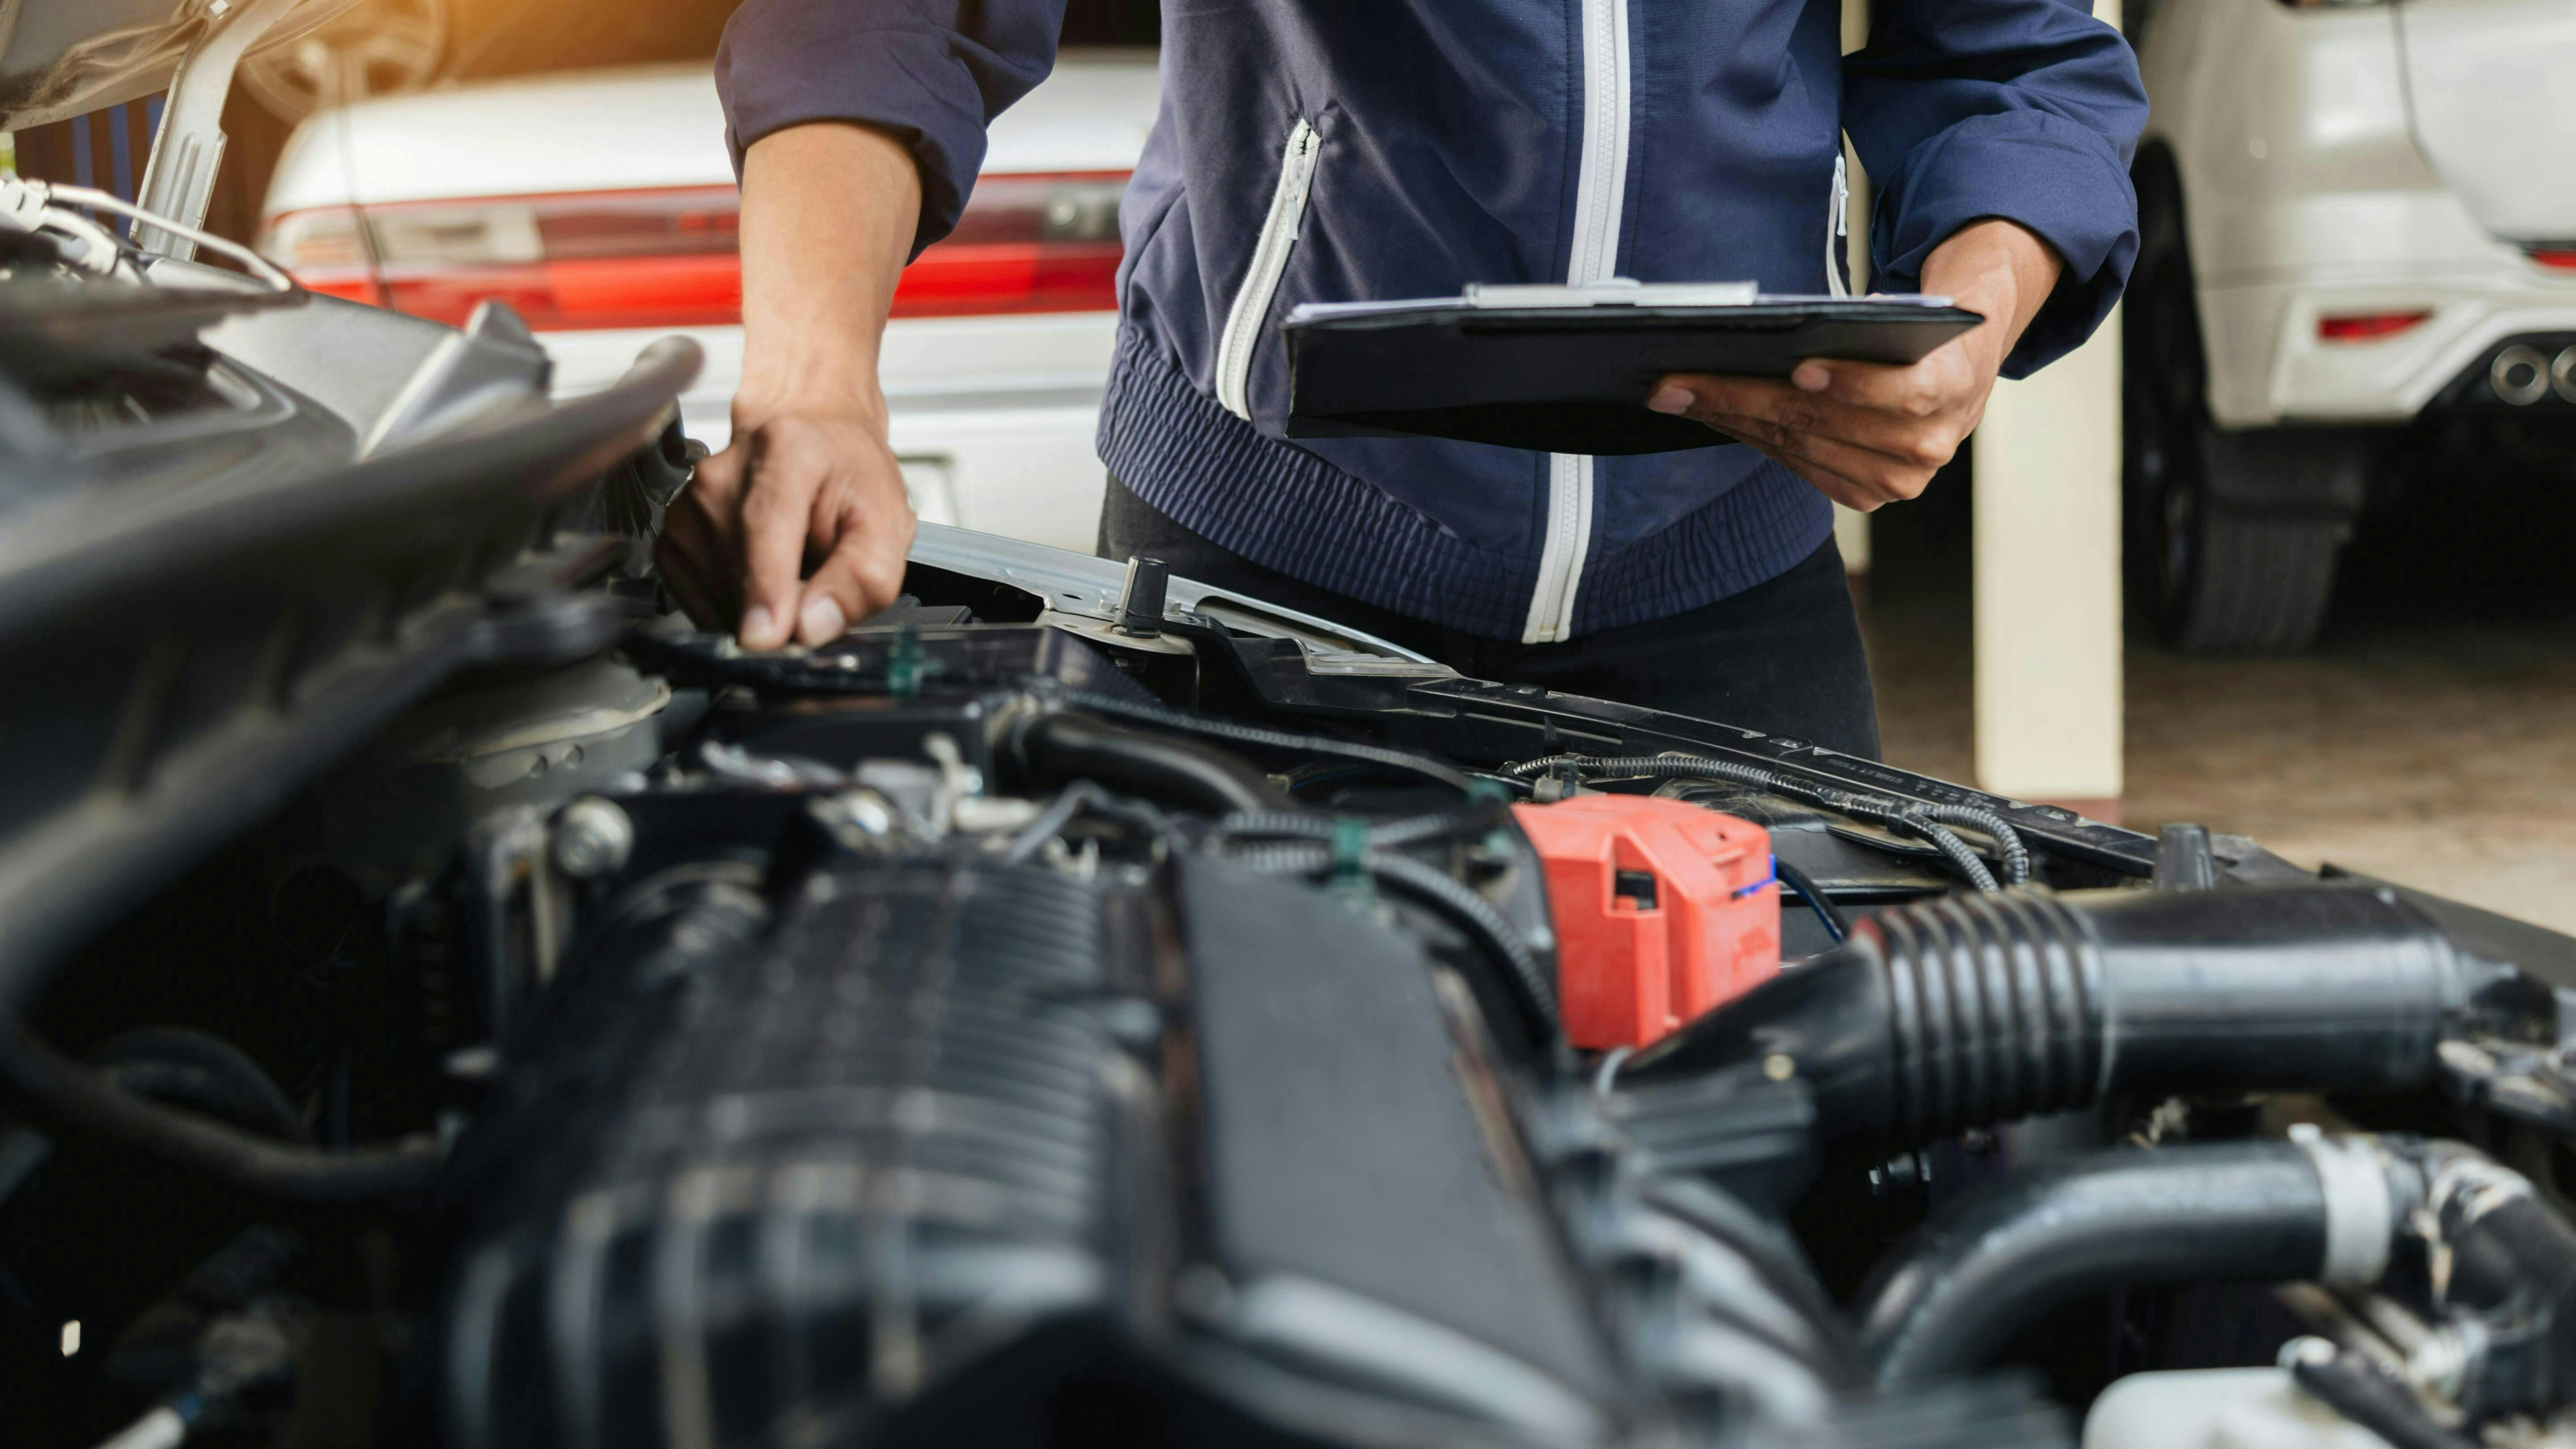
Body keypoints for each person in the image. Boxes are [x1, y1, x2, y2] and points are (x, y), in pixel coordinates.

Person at [659, 0, 2148, 759]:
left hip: (1732, 596)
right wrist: (812, 383)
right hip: (1266, 578)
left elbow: (2016, 54)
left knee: (1811, 1202)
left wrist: (1973, 307)